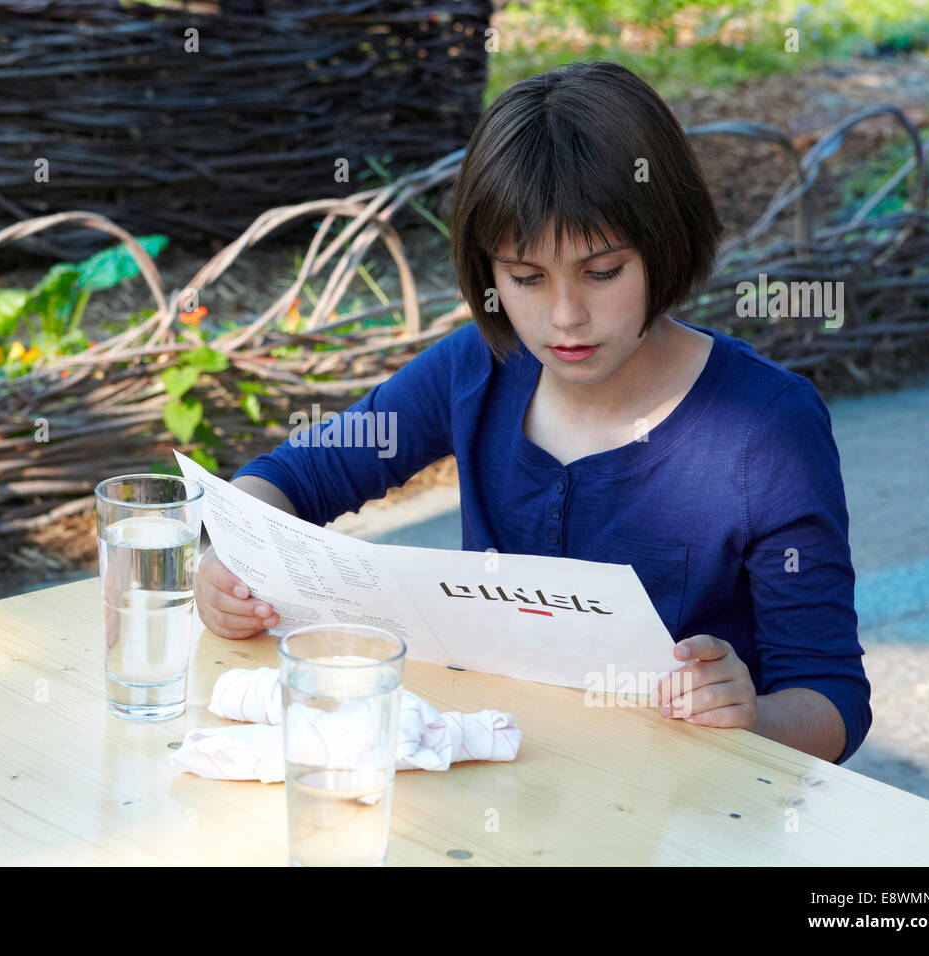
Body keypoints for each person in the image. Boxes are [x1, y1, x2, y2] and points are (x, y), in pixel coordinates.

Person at [195, 61, 871, 765]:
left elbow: (831, 699)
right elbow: (290, 477)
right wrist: (233, 563)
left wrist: (749, 717)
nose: (565, 317)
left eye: (603, 272)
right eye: (524, 278)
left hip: (678, 818)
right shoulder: (479, 367)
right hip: (485, 779)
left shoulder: (767, 428)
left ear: (667, 242)